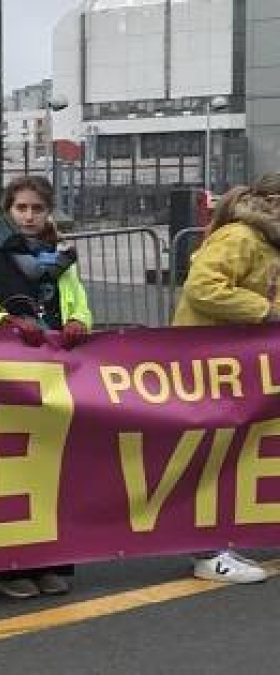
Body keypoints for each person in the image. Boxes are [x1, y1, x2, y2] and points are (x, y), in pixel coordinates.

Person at [0, 175, 91, 599]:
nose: (29, 216)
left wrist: (81, 321)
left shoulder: (60, 258)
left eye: (37, 209)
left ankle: (47, 560)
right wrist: (2, 323)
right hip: (2, 375)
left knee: (50, 469)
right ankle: (4, 568)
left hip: (51, 375)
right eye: (21, 208)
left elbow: (75, 300)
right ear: (8, 209)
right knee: (4, 468)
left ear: (48, 213)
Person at [172, 174, 280, 585]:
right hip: (208, 364)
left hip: (237, 368)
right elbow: (202, 287)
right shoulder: (241, 237)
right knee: (211, 455)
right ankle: (207, 549)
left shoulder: (266, 243)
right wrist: (265, 312)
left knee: (240, 451)